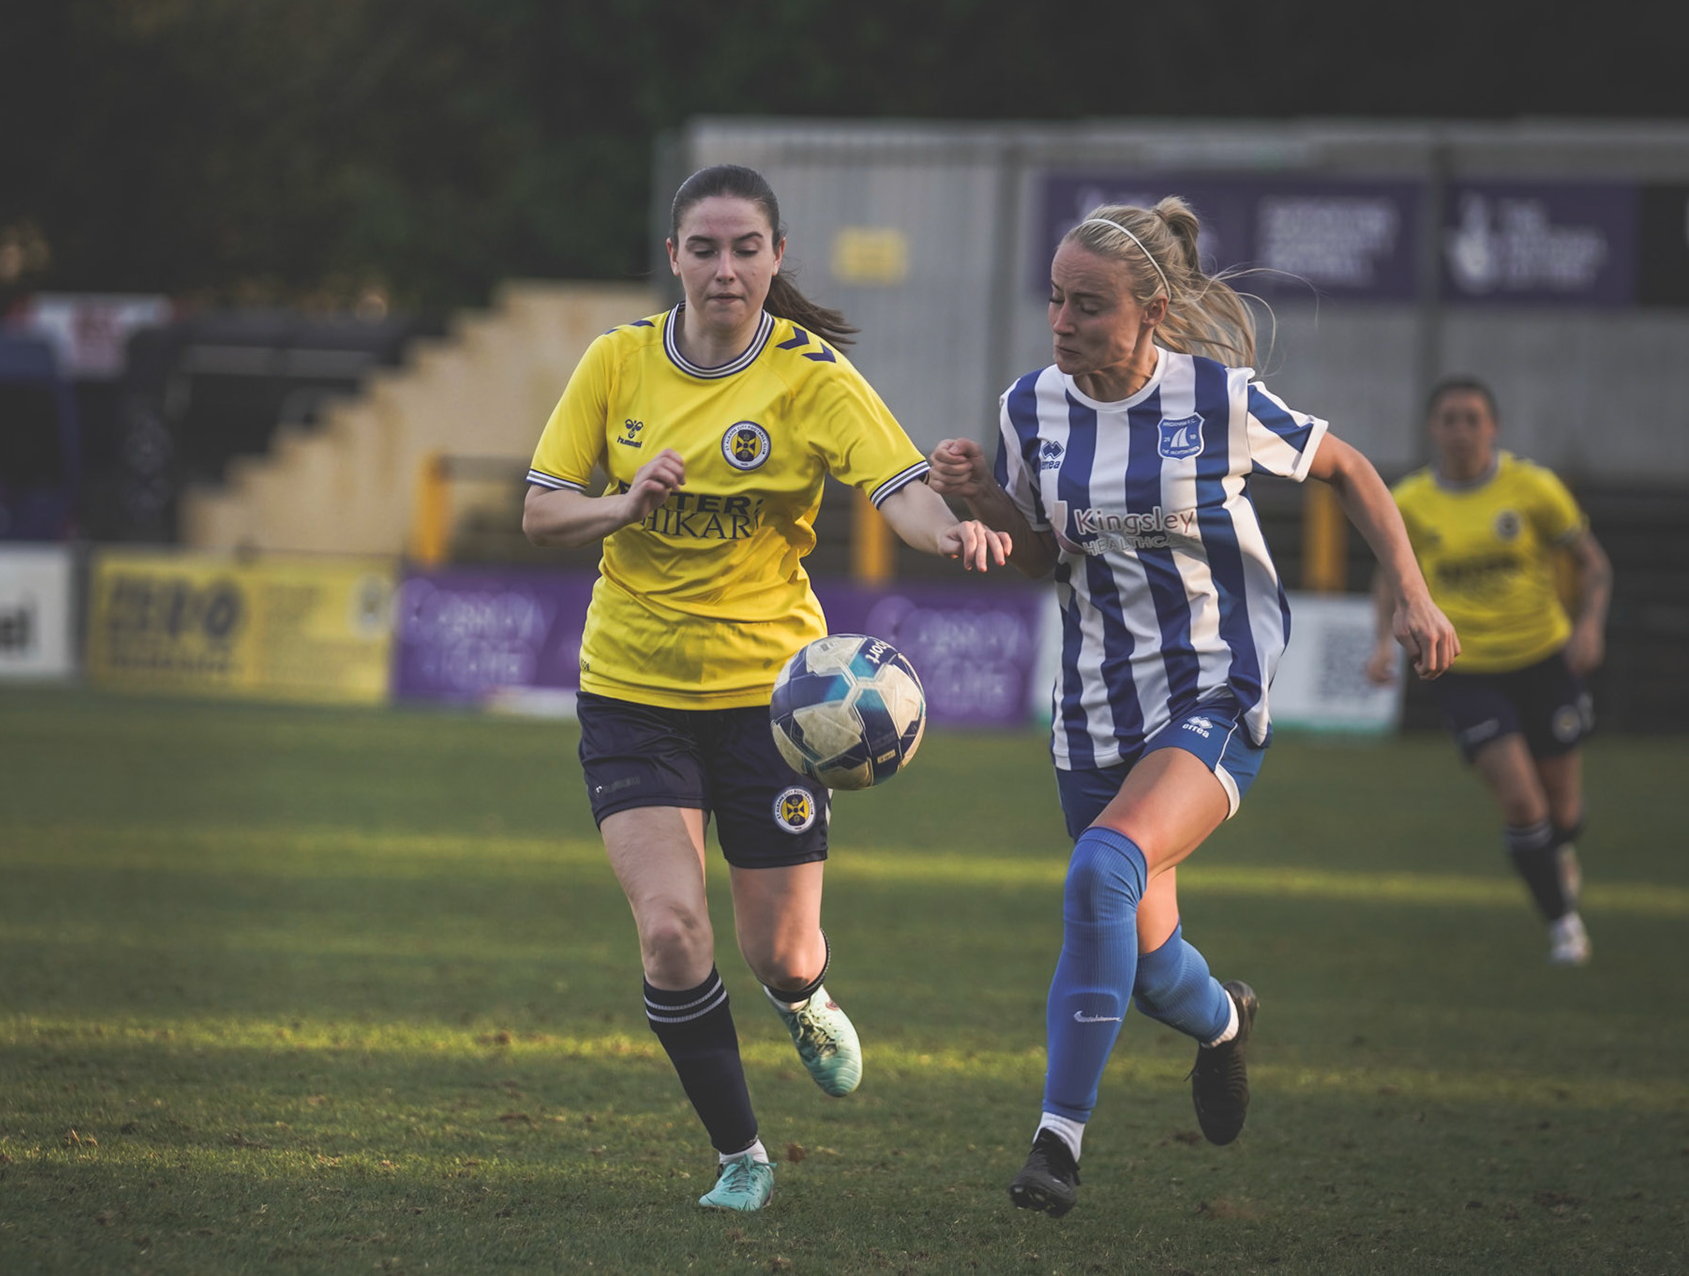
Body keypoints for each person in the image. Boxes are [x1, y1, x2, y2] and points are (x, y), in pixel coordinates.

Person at [927, 198, 1459, 1216]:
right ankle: (1223, 1021)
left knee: (1103, 868)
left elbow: (1348, 468)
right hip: (1094, 709)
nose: (1062, 322)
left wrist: (1414, 593)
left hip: (1215, 688)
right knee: (1146, 960)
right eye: (1055, 299)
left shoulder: (1217, 399)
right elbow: (1041, 557)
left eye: (1088, 305)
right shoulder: (1029, 406)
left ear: (1152, 312)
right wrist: (984, 496)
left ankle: (1056, 1144)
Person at [522, 163, 1011, 1213]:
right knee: (671, 932)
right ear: (673, 258)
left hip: (778, 708)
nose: (725, 269)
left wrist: (951, 532)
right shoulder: (616, 363)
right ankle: (741, 1153)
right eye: (704, 248)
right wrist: (622, 506)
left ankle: (805, 996)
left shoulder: (810, 375)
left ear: (777, 256)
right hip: (633, 693)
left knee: (778, 953)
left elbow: (901, 488)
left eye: (746, 249)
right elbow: (542, 509)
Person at [1367, 378, 1612, 965]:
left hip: (1544, 660)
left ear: (1493, 427)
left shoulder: (1533, 487)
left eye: (1472, 418)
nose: (1461, 430)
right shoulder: (1411, 502)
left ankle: (1559, 852)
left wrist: (1590, 626)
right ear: (1433, 428)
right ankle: (1564, 926)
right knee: (1522, 803)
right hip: (1465, 668)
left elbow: (1593, 563)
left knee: (1563, 810)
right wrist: (1381, 643)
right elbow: (1389, 577)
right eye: (1449, 419)